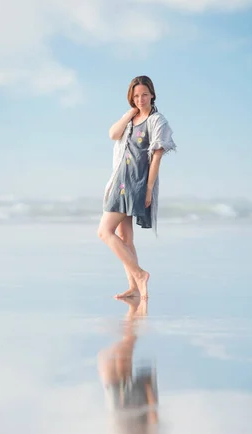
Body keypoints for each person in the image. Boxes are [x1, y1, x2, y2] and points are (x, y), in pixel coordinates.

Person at [98, 75, 176, 300]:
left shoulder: (157, 121)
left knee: (104, 232)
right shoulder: (130, 117)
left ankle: (140, 274)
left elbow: (157, 157)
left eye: (144, 95)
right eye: (135, 96)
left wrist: (149, 189)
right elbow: (113, 134)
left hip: (136, 182)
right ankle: (134, 287)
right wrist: (130, 114)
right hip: (118, 180)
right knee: (125, 237)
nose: (140, 99)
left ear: (152, 94)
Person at [98, 298, 170, 434]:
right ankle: (133, 316)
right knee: (120, 355)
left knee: (110, 359)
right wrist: (150, 398)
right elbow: (156, 425)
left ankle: (132, 317)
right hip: (136, 409)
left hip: (119, 409)